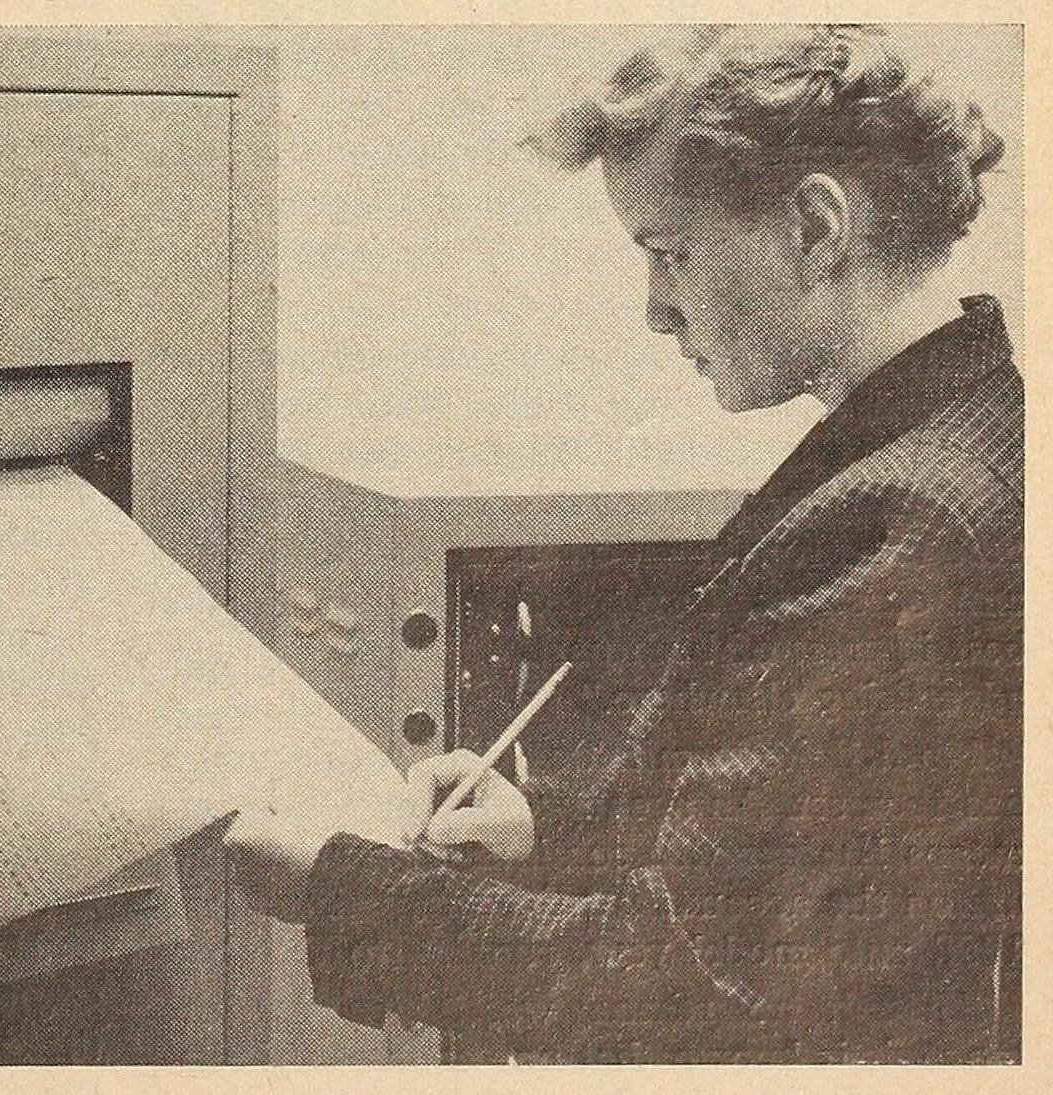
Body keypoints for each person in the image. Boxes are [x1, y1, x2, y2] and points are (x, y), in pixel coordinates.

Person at [225, 24, 1022, 1064]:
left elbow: (682, 982)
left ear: (816, 228)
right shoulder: (973, 425)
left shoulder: (896, 527)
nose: (654, 310)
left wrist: (338, 887)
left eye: (668, 252)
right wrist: (543, 838)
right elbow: (773, 866)